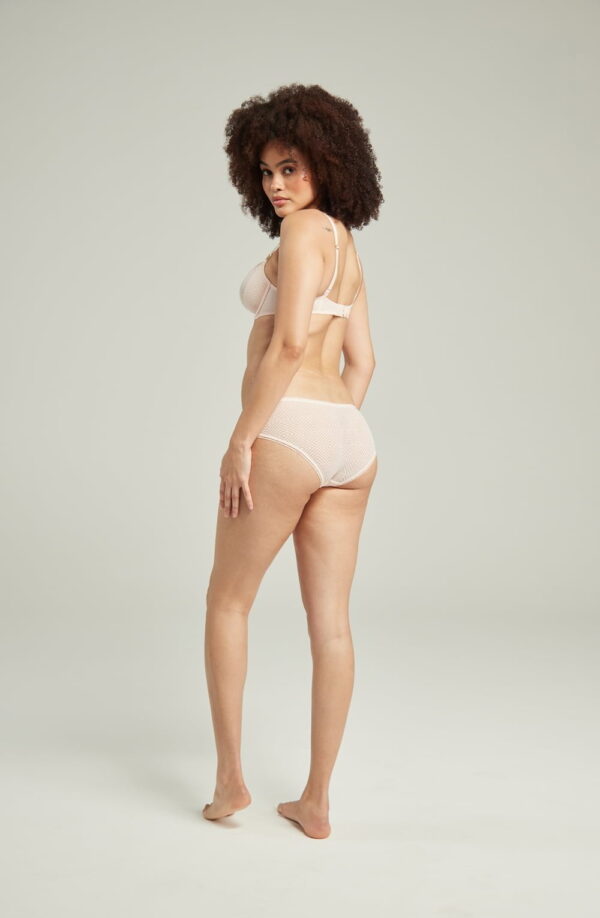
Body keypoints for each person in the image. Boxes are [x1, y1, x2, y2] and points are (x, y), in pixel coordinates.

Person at [203, 83, 384, 839]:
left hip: (288, 427)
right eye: (266, 171)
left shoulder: (303, 230)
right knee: (331, 626)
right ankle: (316, 803)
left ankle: (230, 782)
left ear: (326, 162)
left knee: (227, 603)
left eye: (290, 168)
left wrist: (245, 439)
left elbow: (287, 344)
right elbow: (363, 362)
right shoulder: (346, 243)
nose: (277, 185)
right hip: (348, 438)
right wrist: (331, 436)